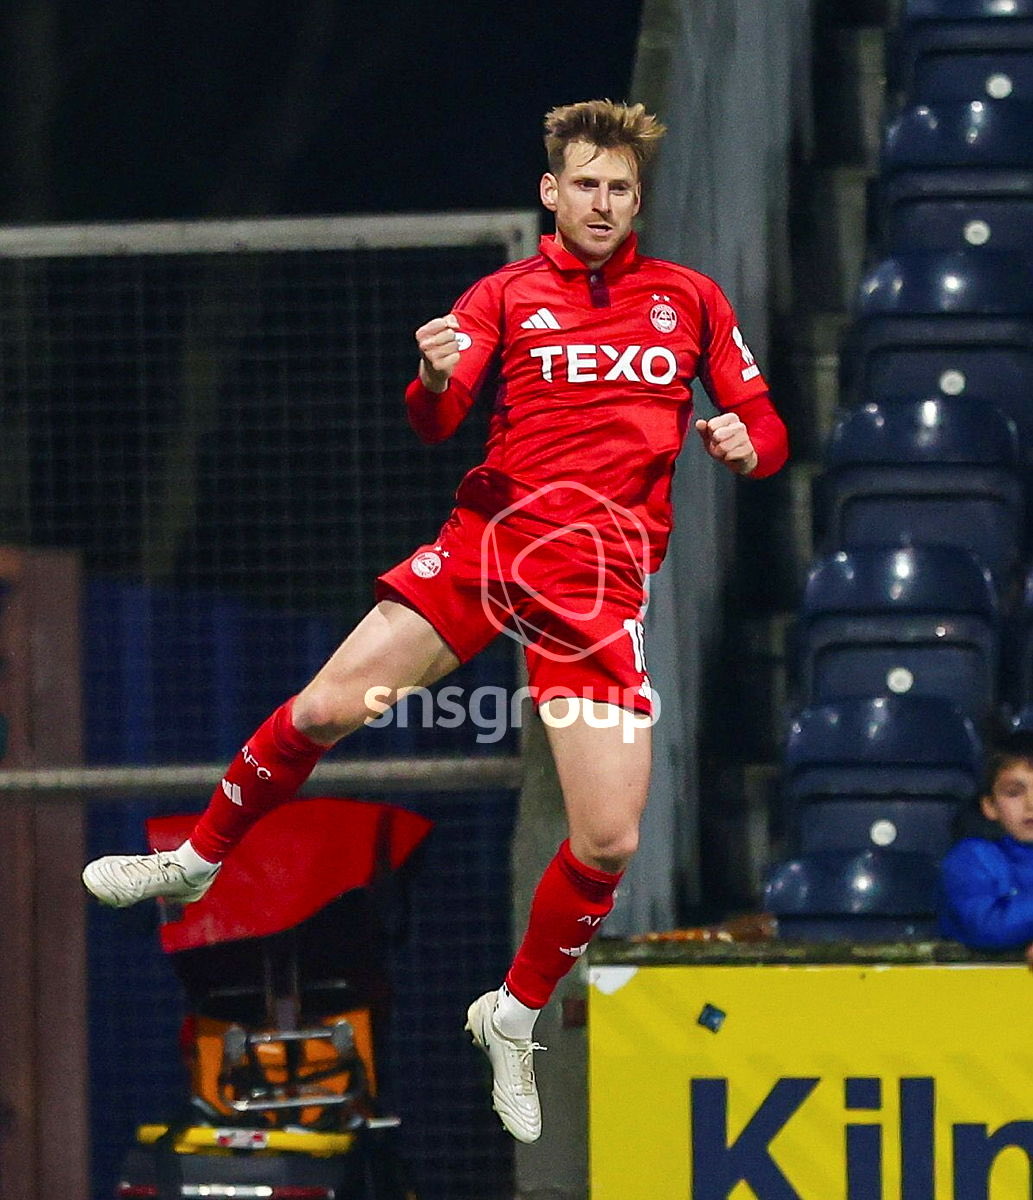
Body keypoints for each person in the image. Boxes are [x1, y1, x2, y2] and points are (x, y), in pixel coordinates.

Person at [82, 99, 789, 1143]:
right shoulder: (506, 293)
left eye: (621, 188)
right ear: (552, 192)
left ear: (638, 199)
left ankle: (511, 1013)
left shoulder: (688, 300)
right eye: (585, 184)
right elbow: (436, 419)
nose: (603, 202)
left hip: (596, 586)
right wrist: (428, 374)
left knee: (608, 835)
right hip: (490, 550)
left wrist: (744, 443)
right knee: (326, 706)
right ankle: (196, 855)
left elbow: (768, 428)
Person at [939, 730, 1033, 956]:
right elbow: (987, 928)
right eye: (1014, 793)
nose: (1031, 803)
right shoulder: (971, 859)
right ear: (990, 806)